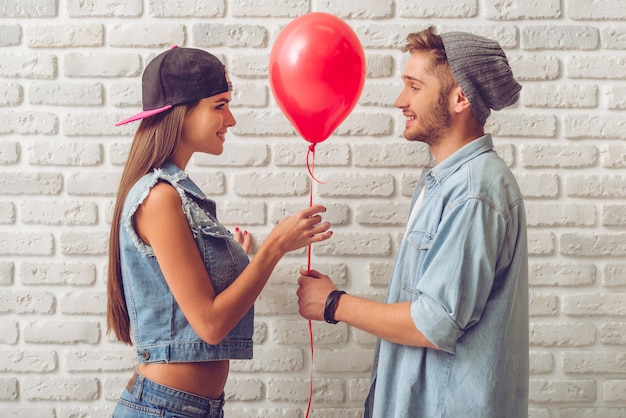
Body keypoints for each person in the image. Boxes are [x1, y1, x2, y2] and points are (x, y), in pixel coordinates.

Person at [296, 26, 528, 417]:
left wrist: (335, 304)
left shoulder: (475, 192)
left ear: (460, 98)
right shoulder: (440, 182)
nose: (400, 100)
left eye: (414, 87)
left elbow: (432, 323)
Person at [107, 46, 332, 417]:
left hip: (192, 408)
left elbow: (192, 297)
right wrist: (273, 247)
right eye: (219, 105)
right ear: (181, 112)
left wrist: (234, 260)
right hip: (166, 409)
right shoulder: (160, 198)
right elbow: (210, 325)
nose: (231, 120)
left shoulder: (173, 194)